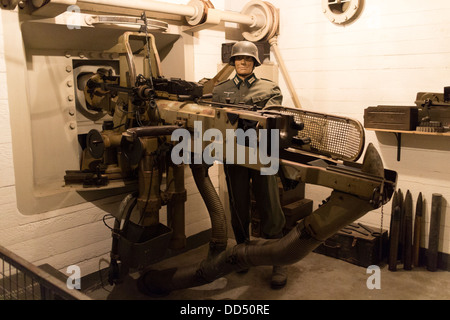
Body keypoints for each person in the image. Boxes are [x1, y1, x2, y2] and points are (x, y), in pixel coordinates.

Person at [212, 41, 287, 289]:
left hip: (263, 152)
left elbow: (273, 115)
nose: (242, 62)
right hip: (234, 154)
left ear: (255, 62)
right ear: (233, 62)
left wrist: (254, 121)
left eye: (247, 59)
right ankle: (242, 253)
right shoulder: (220, 90)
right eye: (238, 59)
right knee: (238, 203)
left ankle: (279, 259)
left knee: (270, 203)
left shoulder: (270, 88)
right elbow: (216, 119)